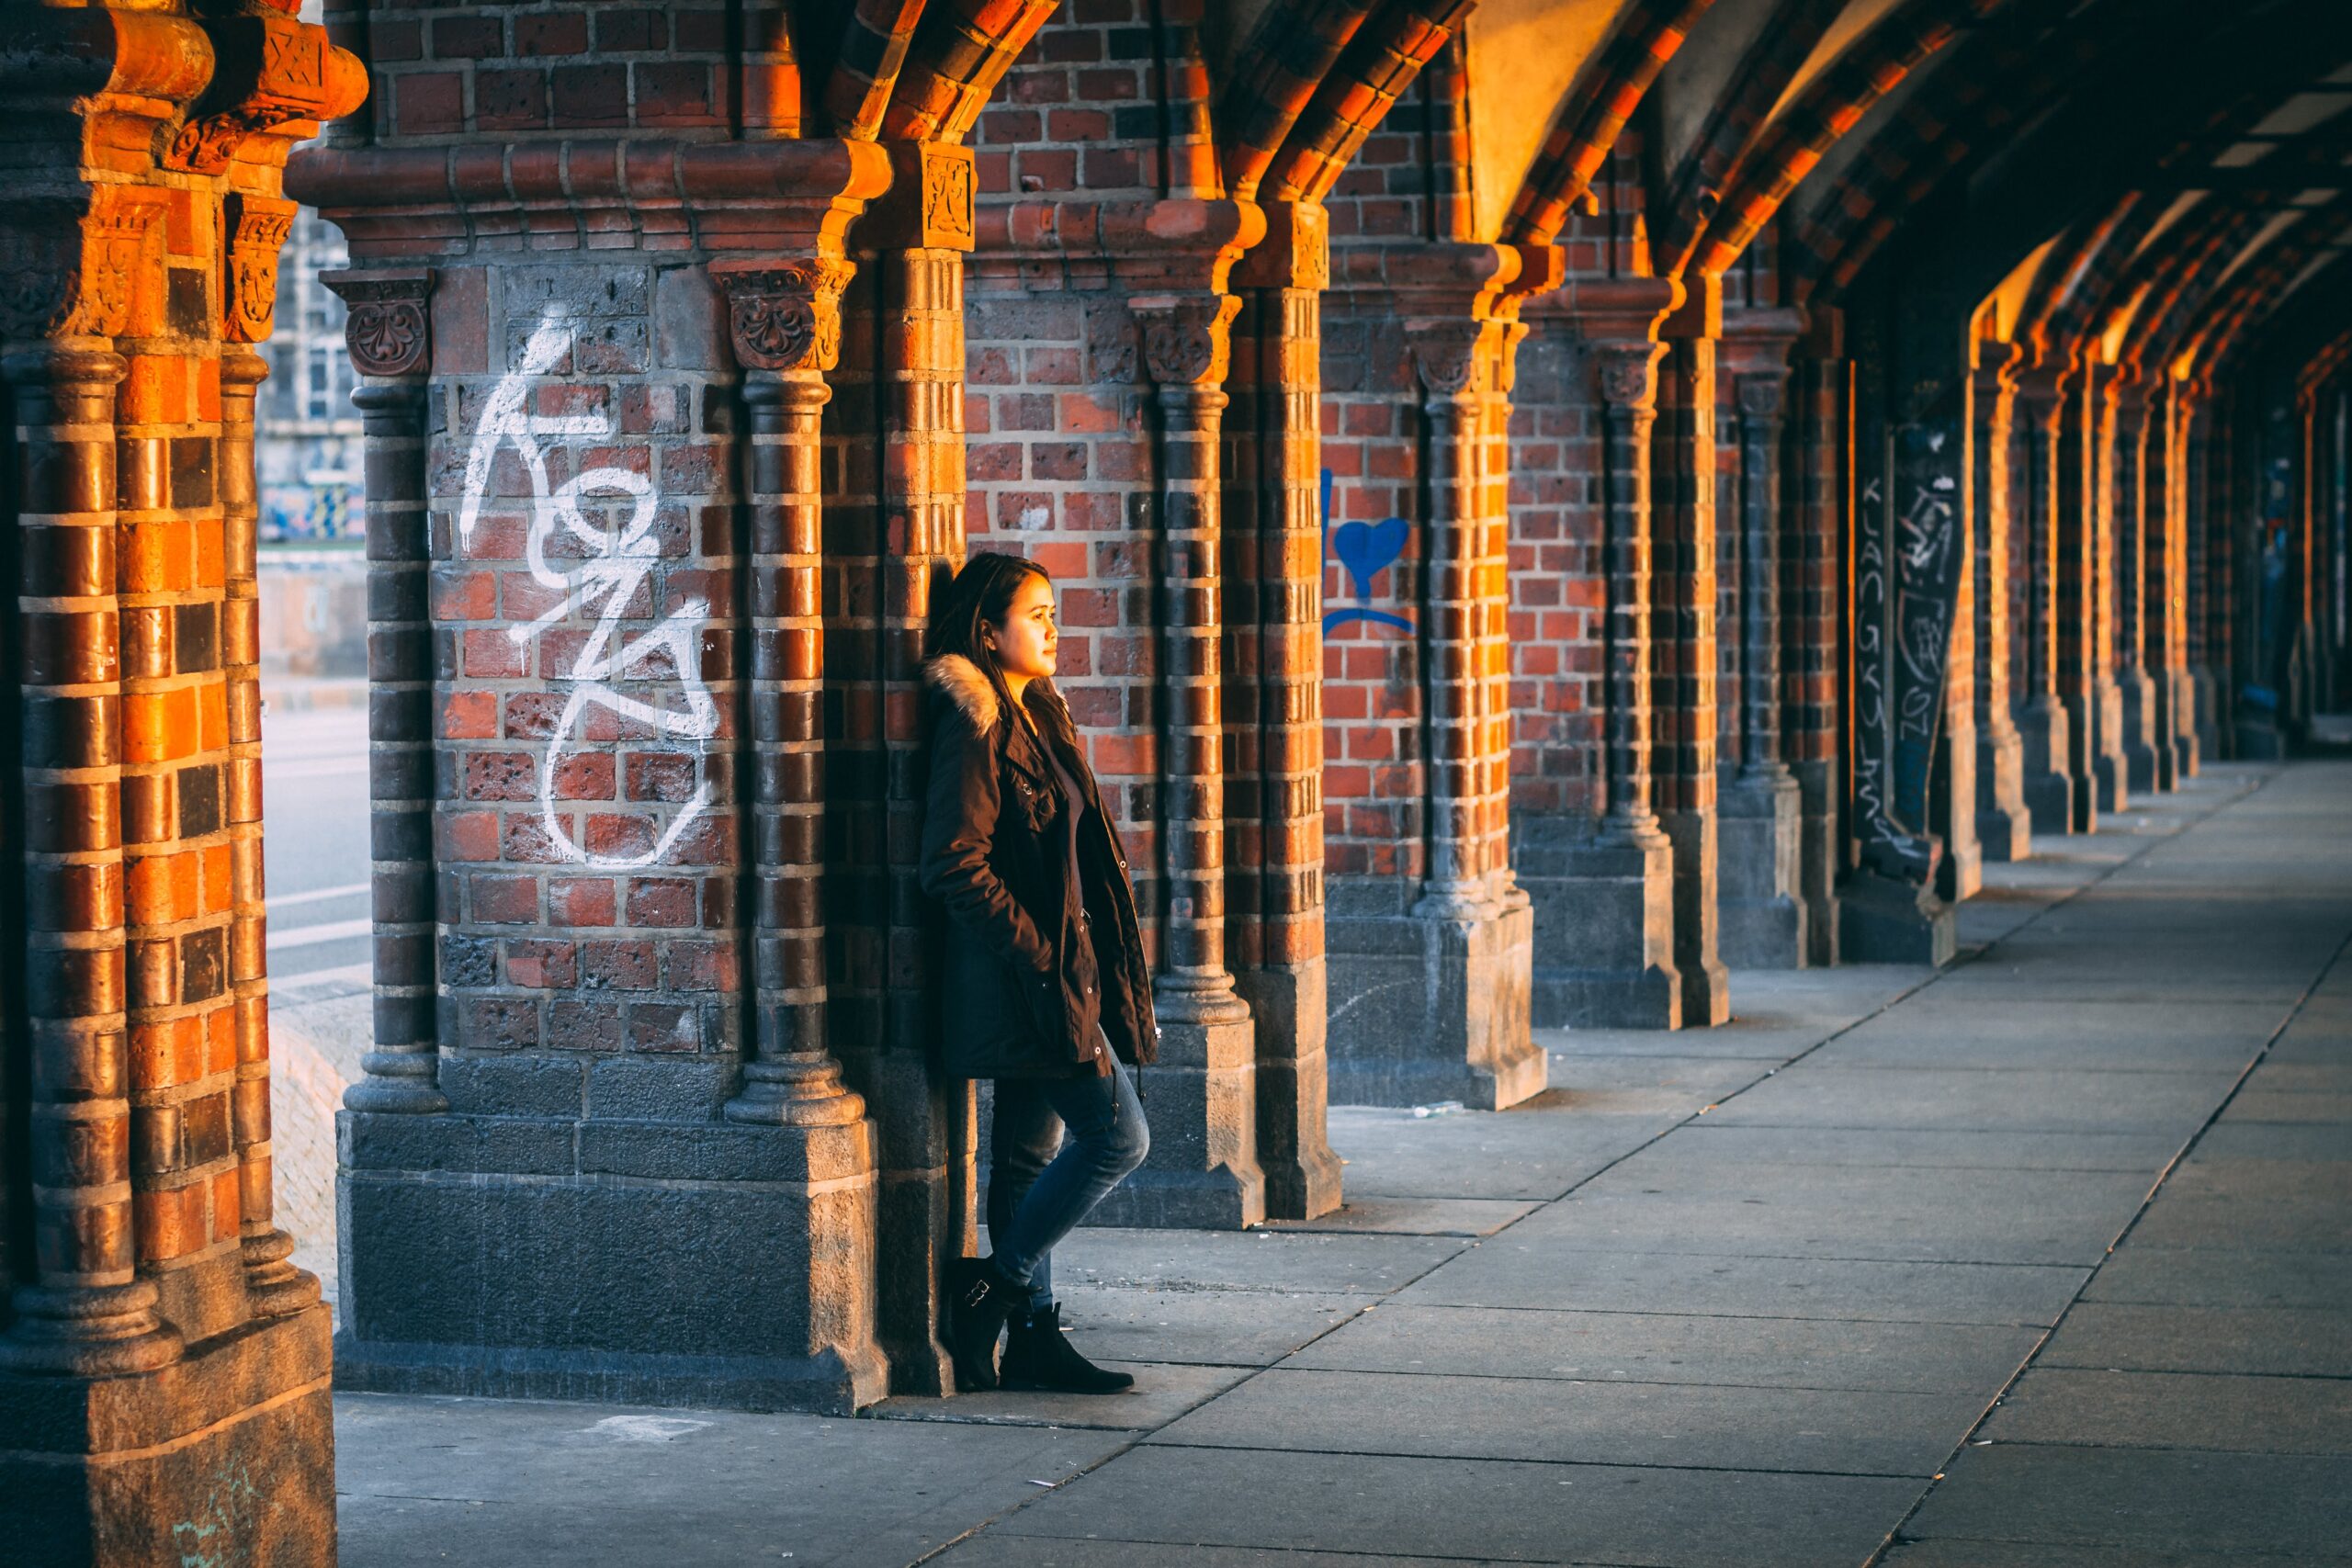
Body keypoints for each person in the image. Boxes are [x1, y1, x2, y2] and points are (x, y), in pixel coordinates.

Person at [918, 551, 1157, 1394]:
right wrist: (1044, 954)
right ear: (989, 632)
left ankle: (1034, 1339)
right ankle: (994, 1283)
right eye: (1037, 613)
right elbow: (952, 862)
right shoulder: (977, 724)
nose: (1054, 627)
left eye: (1056, 611)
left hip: (1057, 976)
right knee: (1119, 1136)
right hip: (1029, 982)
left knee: (1028, 1156)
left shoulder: (1038, 712)